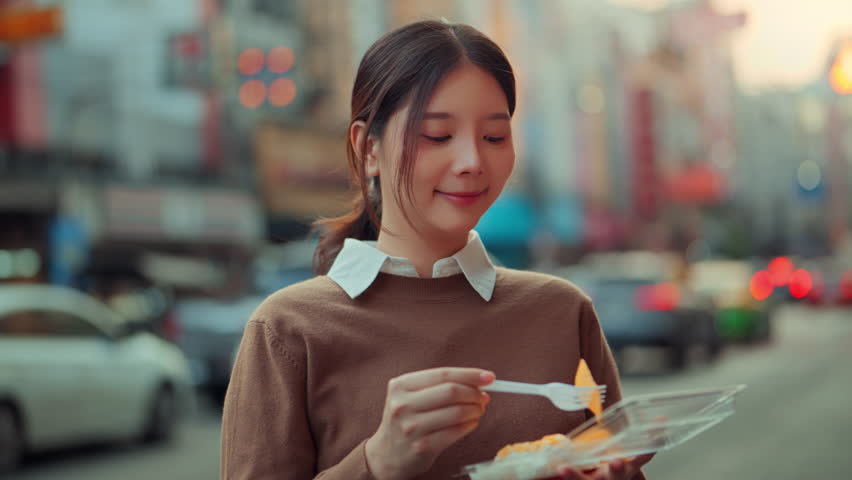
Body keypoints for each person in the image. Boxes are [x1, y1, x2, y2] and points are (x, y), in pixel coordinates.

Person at [221, 19, 652, 480]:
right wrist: (377, 462)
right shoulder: (288, 330)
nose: (472, 162)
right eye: (437, 136)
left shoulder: (561, 312)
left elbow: (612, 458)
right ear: (368, 148)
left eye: (494, 137)